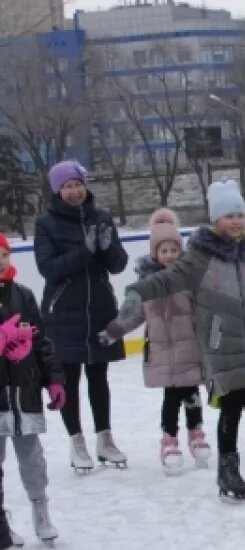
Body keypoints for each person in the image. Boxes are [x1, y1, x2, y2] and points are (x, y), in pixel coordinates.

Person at [103, 181, 245, 501]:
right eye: (229, 215)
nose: (236, 221)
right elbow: (168, 279)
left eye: (240, 214)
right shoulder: (201, 256)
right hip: (222, 343)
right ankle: (228, 470)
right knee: (231, 407)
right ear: (215, 219)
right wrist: (138, 291)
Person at [34, 160, 129, 473]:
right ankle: (76, 442)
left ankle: (105, 439)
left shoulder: (101, 218)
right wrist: (84, 252)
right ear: (57, 190)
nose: (74, 191)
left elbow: (118, 265)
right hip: (63, 312)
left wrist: (106, 249)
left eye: (78, 185)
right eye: (67, 186)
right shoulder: (46, 224)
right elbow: (48, 268)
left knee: (99, 376)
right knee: (69, 378)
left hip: (99, 309)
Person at [104, 209, 212, 474]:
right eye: (164, 251)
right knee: (172, 398)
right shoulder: (147, 284)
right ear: (155, 254)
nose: (170, 255)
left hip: (190, 350)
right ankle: (169, 439)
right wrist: (115, 330)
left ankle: (196, 433)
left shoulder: (190, 280)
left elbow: (205, 310)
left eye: (174, 250)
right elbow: (135, 314)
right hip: (163, 353)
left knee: (192, 395)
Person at [0, 233, 65, 545]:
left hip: (24, 393)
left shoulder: (23, 295)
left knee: (32, 457)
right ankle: (1, 524)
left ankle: (40, 508)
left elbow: (41, 340)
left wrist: (54, 378)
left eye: (3, 255)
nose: (0, 262)